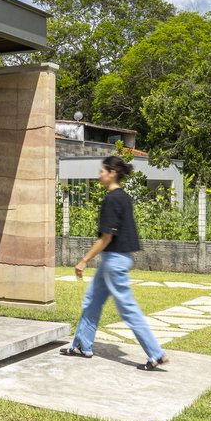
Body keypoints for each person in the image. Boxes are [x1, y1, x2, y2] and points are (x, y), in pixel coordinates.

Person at [60, 154, 168, 371]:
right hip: (117, 258)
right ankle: (82, 346)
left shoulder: (111, 200)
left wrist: (83, 260)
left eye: (102, 171)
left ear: (112, 173)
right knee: (92, 300)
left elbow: (106, 237)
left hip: (114, 261)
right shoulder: (124, 197)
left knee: (128, 308)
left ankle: (156, 353)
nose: (99, 175)